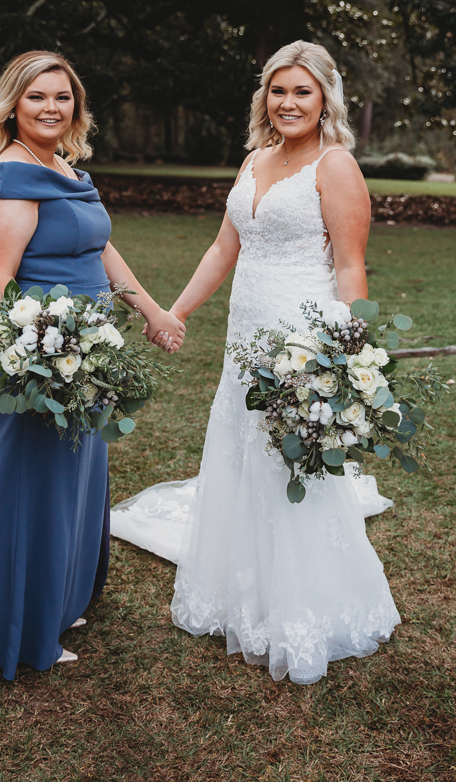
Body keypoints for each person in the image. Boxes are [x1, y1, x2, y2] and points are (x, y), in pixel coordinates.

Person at [111, 40, 400, 684]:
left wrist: (352, 354)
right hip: (245, 339)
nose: (289, 102)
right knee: (243, 454)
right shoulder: (253, 161)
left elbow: (351, 265)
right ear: (263, 97)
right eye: (278, 90)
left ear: (326, 98)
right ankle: (246, 595)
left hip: (303, 340)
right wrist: (176, 311)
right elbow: (223, 248)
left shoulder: (337, 166)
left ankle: (304, 610)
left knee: (289, 465)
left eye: (302, 90)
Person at [0, 50, 185, 683]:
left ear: (76, 107)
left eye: (62, 97)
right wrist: (47, 349)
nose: (50, 108)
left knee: (75, 475)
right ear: (13, 105)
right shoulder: (10, 176)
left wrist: (151, 310)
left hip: (87, 349)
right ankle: (23, 623)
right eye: (37, 97)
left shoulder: (60, 165)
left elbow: (99, 247)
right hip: (42, 356)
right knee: (32, 482)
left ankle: (59, 599)